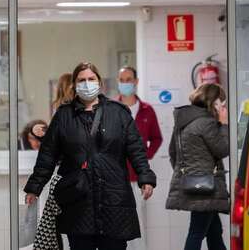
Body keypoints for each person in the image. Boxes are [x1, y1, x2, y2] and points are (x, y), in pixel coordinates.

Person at [24, 62, 156, 250]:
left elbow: (136, 148)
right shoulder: (64, 115)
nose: (87, 83)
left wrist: (145, 177)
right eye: (81, 80)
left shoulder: (118, 112)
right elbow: (48, 155)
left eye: (91, 79)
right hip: (79, 200)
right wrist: (34, 187)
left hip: (114, 198)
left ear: (100, 83)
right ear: (75, 85)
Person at [167, 83, 230, 250]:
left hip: (195, 184)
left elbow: (173, 152)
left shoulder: (184, 121)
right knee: (196, 232)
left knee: (214, 233)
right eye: (220, 103)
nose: (222, 108)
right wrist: (224, 125)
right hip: (207, 187)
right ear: (213, 103)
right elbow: (223, 149)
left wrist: (187, 173)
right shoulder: (206, 123)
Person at [115, 66, 162, 250]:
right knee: (116, 224)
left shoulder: (147, 110)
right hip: (116, 177)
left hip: (137, 178)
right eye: (122, 80)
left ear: (136, 82)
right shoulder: (112, 108)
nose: (125, 83)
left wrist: (144, 157)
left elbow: (157, 138)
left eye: (128, 79)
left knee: (138, 224)